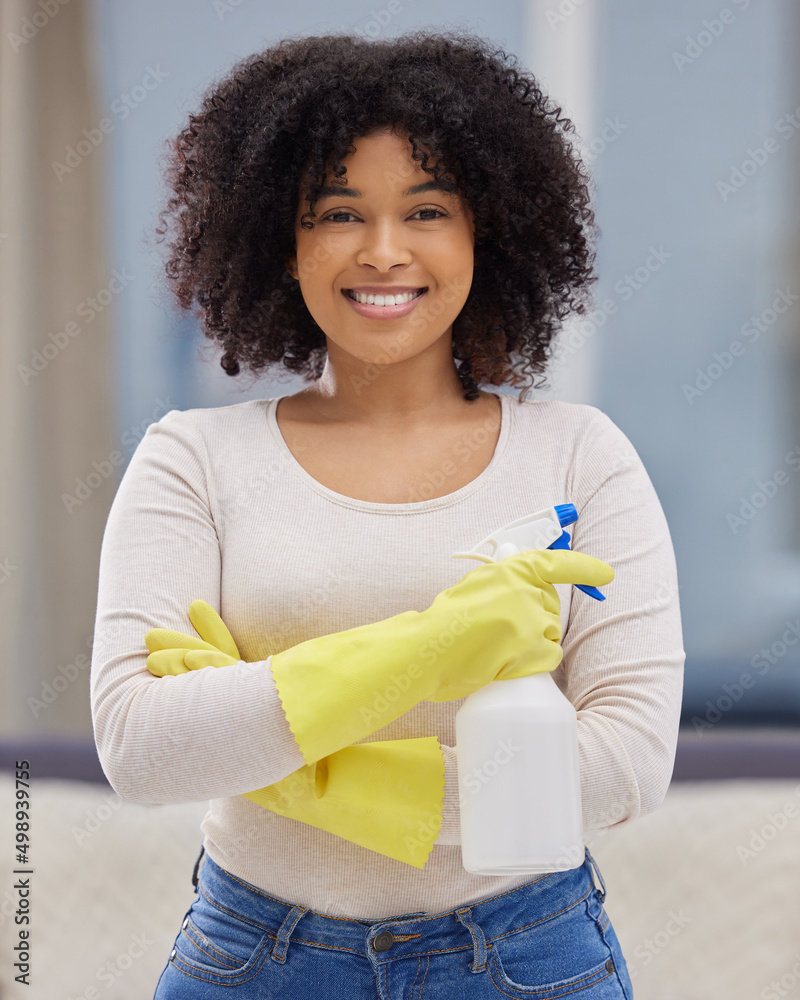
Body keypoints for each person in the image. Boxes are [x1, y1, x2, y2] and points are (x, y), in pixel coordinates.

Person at [90, 28, 684, 1000]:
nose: (382, 250)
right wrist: (428, 650)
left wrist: (300, 769)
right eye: (336, 211)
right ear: (280, 239)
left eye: (426, 209)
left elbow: (622, 762)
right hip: (253, 958)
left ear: (482, 231)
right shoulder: (192, 461)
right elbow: (143, 746)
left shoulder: (578, 454)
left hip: (524, 957)